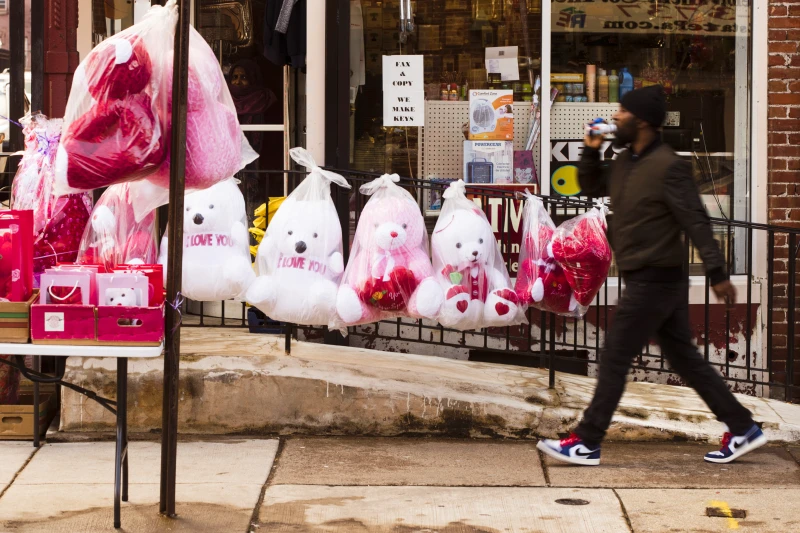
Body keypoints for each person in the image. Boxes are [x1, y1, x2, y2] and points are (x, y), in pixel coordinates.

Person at [537, 85, 765, 466]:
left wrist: (717, 272)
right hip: (647, 278)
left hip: (655, 279)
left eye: (622, 113)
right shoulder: (626, 161)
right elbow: (591, 186)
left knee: (614, 357)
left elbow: (695, 220)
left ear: (641, 120)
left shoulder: (670, 166)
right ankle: (742, 427)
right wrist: (590, 151)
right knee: (686, 360)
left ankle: (587, 441)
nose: (616, 118)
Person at [228, 58, 277, 156]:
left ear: (253, 79)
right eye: (235, 77)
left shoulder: (266, 100)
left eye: (244, 77)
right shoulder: (226, 101)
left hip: (266, 159)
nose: (238, 82)